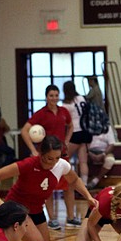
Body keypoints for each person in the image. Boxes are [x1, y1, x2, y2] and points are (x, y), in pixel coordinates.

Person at [20, 84, 73, 230]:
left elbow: (71, 125)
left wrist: (67, 141)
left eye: (56, 95)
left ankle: (71, 218)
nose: (54, 98)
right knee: (47, 188)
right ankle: (52, 219)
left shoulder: (64, 111)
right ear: (46, 97)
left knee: (68, 186)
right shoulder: (41, 114)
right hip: (47, 156)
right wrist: (33, 150)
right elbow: (24, 130)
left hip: (61, 154)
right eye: (51, 95)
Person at [62, 80, 92, 226]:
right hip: (85, 131)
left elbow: (67, 123)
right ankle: (84, 185)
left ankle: (70, 181)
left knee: (64, 157)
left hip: (75, 133)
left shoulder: (65, 105)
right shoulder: (81, 98)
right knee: (83, 161)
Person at [86, 124, 116, 189]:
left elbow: (112, 144)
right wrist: (89, 153)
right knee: (81, 159)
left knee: (110, 160)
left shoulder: (107, 127)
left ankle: (96, 180)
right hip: (89, 151)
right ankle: (84, 182)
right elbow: (84, 142)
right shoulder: (86, 125)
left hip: (104, 151)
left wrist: (103, 154)